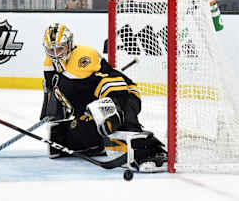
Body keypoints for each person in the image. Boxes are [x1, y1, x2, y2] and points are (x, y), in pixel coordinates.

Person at [40, 23, 167, 171]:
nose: (56, 54)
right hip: (92, 109)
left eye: (60, 48)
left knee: (106, 110)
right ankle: (102, 142)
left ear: (69, 44)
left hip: (124, 95)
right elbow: (56, 94)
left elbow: (112, 84)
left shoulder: (83, 56)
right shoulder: (48, 65)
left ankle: (147, 149)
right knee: (62, 139)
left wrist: (104, 106)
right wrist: (50, 112)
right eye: (51, 50)